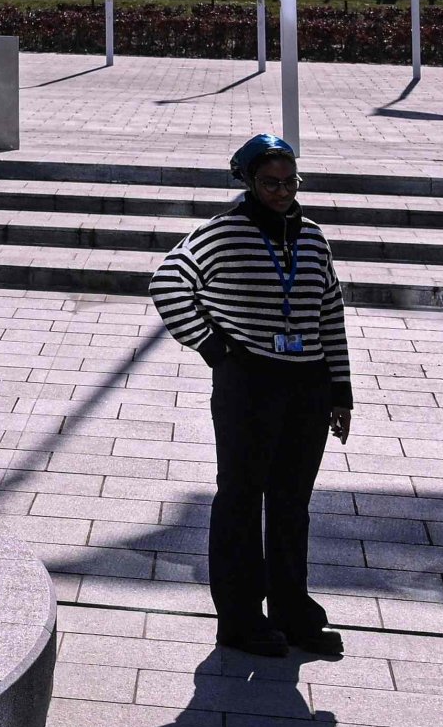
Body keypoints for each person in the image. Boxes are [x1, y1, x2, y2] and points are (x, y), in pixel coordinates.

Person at [147, 133, 352, 659]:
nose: (282, 192)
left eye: (290, 182)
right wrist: (218, 349)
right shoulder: (221, 234)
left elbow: (330, 312)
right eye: (270, 183)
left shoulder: (312, 237)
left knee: (292, 503)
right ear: (247, 182)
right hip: (249, 384)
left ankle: (292, 611)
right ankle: (240, 619)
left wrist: (340, 389)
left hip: (307, 384)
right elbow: (167, 284)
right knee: (241, 498)